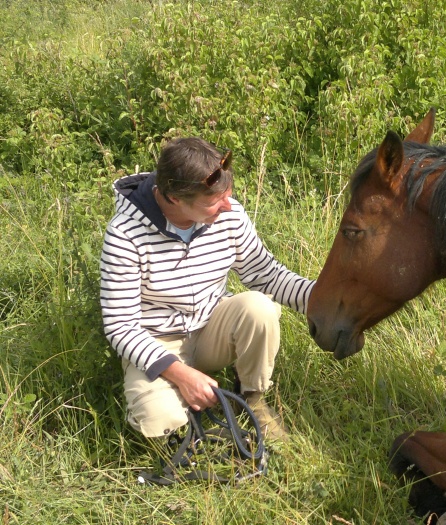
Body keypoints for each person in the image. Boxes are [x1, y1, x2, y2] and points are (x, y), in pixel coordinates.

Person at [100, 137, 314, 443]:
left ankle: (252, 399)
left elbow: (265, 274)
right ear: (175, 198)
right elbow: (120, 326)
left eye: (228, 194)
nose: (228, 205)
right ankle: (179, 405)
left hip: (211, 326)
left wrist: (321, 298)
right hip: (157, 342)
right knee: (161, 423)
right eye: (215, 200)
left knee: (259, 306)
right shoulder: (124, 235)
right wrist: (182, 375)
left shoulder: (229, 214)